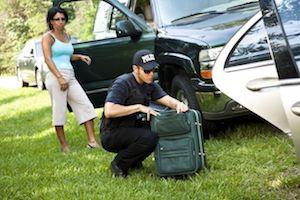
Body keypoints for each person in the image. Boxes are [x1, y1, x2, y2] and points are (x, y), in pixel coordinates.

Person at [100, 49, 189, 177]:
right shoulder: (122, 83)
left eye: (153, 70)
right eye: (147, 71)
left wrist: (179, 104)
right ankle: (119, 164)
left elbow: (167, 100)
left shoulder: (150, 85)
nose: (151, 74)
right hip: (112, 133)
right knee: (149, 138)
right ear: (135, 69)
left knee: (158, 129)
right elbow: (109, 111)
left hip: (131, 127)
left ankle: (134, 161)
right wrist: (138, 107)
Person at [41, 7, 100, 153]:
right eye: (57, 19)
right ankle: (64, 145)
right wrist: (60, 78)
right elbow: (48, 59)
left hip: (70, 75)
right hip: (55, 76)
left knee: (85, 105)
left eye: (63, 19)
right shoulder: (48, 37)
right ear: (51, 21)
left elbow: (65, 55)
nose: (61, 22)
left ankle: (92, 141)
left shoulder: (66, 36)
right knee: (59, 111)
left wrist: (79, 56)